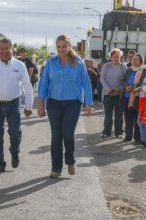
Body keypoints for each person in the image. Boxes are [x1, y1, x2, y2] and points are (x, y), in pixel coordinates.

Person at [38, 35, 92, 178]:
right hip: (54, 103)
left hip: (73, 103)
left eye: (64, 46)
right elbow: (44, 83)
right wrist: (40, 103)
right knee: (56, 136)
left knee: (67, 134)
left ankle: (70, 159)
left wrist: (88, 103)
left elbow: (86, 83)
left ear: (69, 46)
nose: (61, 49)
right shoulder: (51, 62)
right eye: (58, 47)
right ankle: (56, 168)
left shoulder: (78, 62)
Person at [0, 38, 33, 175]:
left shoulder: (20, 65)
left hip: (13, 104)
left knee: (15, 133)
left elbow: (27, 86)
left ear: (12, 49)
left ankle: (15, 152)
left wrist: (28, 106)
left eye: (6, 48)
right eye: (1, 49)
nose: (3, 51)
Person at [100, 48, 126, 139]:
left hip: (119, 95)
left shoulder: (123, 66)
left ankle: (119, 132)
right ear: (110, 57)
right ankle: (106, 132)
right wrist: (108, 89)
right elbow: (102, 78)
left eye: (118, 57)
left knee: (119, 115)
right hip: (108, 94)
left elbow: (125, 80)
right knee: (108, 115)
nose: (117, 59)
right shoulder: (106, 66)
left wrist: (120, 89)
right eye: (115, 57)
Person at [122, 53, 146, 144]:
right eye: (133, 59)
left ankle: (137, 138)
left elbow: (143, 83)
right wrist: (126, 86)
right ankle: (128, 136)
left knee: (137, 120)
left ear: (141, 61)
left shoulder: (144, 70)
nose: (134, 61)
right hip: (126, 97)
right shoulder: (129, 69)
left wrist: (132, 87)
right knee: (127, 118)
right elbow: (124, 80)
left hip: (137, 98)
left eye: (137, 59)